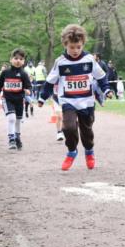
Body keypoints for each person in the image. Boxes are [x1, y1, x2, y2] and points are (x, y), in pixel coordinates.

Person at [38, 24, 109, 171]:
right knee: (68, 127)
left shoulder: (89, 59)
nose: (75, 51)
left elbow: (101, 77)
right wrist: (42, 97)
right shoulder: (61, 62)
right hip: (68, 101)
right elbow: (50, 81)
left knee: (87, 130)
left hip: (87, 102)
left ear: (82, 44)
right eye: (72, 47)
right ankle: (72, 151)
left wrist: (106, 89)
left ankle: (89, 151)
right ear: (65, 45)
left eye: (78, 47)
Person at [0, 48, 33, 150]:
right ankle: (11, 139)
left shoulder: (24, 74)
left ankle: (17, 137)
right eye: (15, 58)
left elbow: (29, 86)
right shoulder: (5, 73)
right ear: (11, 59)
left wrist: (28, 90)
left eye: (21, 59)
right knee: (11, 118)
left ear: (23, 61)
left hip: (19, 100)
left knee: (18, 120)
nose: (18, 61)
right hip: (7, 99)